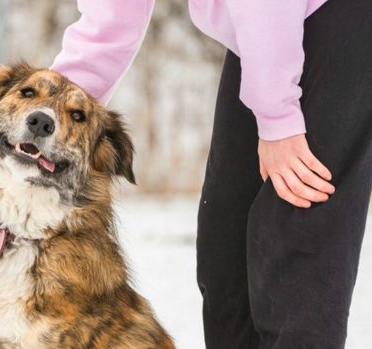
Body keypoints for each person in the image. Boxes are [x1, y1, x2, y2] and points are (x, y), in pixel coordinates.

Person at [50, 0, 372, 348]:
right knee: (225, 256)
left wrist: (278, 120)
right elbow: (112, 20)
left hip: (333, 15)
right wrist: (51, 115)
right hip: (261, 33)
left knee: (294, 247)